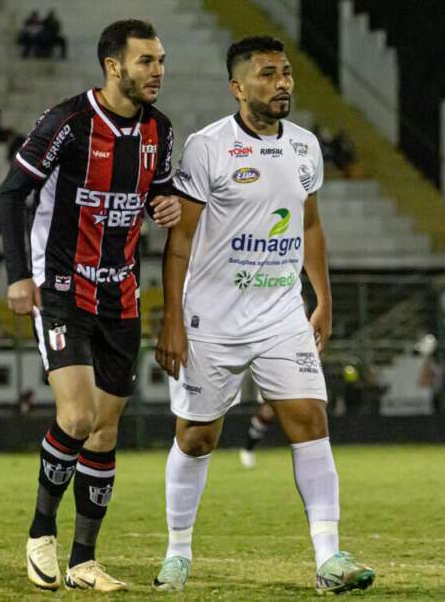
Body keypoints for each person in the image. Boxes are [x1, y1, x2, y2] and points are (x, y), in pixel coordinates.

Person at [152, 36, 375, 594]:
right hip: (213, 317)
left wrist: (320, 297)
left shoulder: (305, 147)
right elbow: (179, 242)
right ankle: (178, 552)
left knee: (309, 420)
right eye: (268, 74)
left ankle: (329, 558)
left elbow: (311, 225)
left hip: (280, 312)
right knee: (198, 436)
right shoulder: (208, 148)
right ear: (238, 87)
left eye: (287, 73)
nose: (282, 84)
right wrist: (172, 320)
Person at [0, 19, 181, 592]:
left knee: (103, 433)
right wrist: (18, 277)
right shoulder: (68, 123)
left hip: (121, 295)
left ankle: (84, 559)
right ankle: (39, 535)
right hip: (61, 288)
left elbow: (156, 194)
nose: (157, 71)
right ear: (113, 66)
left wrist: (164, 207)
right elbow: (11, 193)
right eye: (146, 61)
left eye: (160, 60)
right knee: (75, 417)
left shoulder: (160, 130)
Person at [239, 400, 276, 469]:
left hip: (262, 423)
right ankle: (247, 451)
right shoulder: (265, 407)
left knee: (257, 437)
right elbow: (265, 412)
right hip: (258, 421)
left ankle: (248, 451)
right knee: (254, 437)